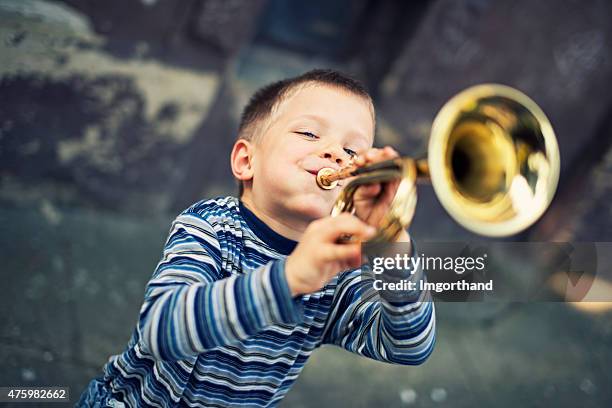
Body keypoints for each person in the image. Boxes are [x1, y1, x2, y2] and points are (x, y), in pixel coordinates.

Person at [77, 69, 436, 407]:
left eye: (353, 151)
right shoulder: (211, 226)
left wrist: (392, 243)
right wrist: (291, 278)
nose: (335, 154)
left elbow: (409, 346)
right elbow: (159, 330)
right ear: (246, 161)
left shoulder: (339, 270)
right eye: (309, 133)